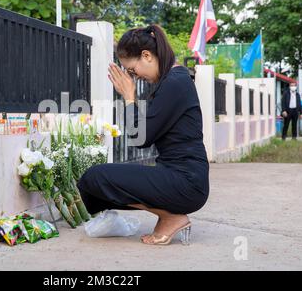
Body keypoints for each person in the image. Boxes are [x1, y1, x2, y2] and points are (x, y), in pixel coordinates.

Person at [77, 24, 209, 245]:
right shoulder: (171, 82)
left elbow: (141, 137)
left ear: (146, 55)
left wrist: (129, 97)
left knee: (95, 177)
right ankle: (168, 214)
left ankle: (170, 217)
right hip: (176, 176)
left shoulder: (176, 83)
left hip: (187, 182)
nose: (133, 77)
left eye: (131, 70)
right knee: (91, 190)